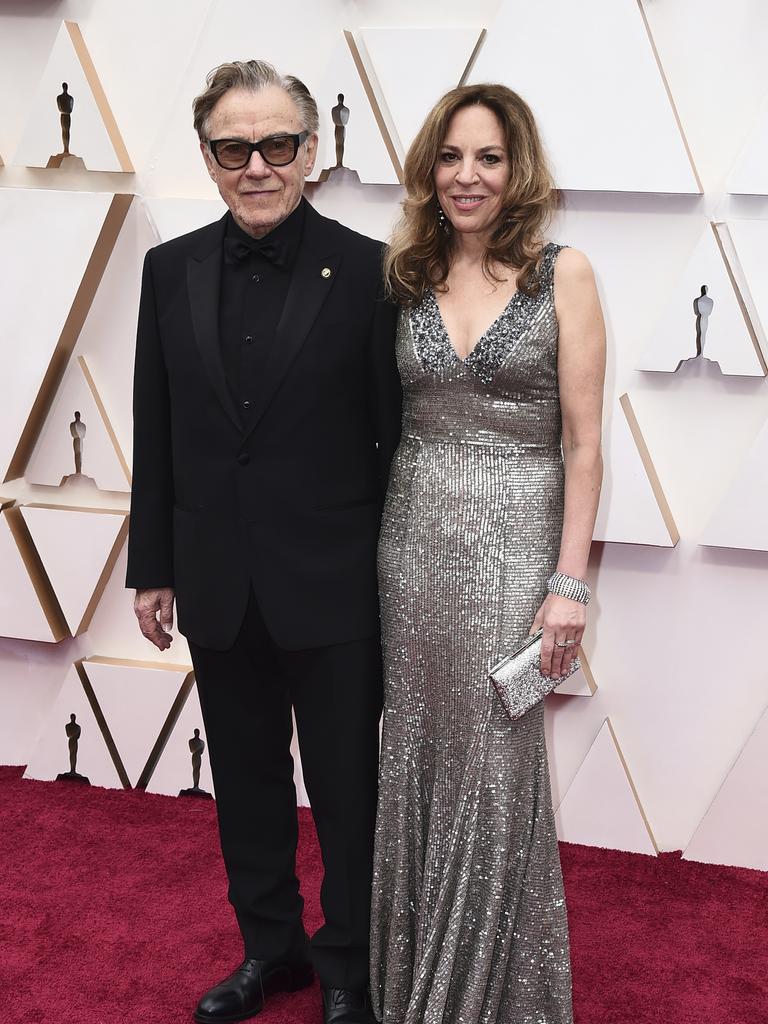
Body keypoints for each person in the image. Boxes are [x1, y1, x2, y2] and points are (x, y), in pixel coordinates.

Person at [126, 60, 400, 1024]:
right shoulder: (170, 268)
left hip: (333, 583)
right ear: (207, 157)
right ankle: (270, 953)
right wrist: (151, 566)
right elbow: (154, 428)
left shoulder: (371, 270)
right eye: (233, 148)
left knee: (345, 795)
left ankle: (349, 973)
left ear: (311, 150)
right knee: (244, 788)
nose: (257, 166)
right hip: (214, 578)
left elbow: (392, 439)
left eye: (276, 145)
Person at [370, 83, 605, 1024]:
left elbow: (582, 443)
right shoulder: (405, 274)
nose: (469, 176)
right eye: (453, 156)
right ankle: (414, 982)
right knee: (416, 749)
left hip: (516, 548)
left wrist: (568, 586)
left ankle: (492, 999)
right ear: (431, 167)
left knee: (498, 761)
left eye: (490, 158)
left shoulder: (563, 273)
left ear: (520, 171)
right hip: (412, 542)